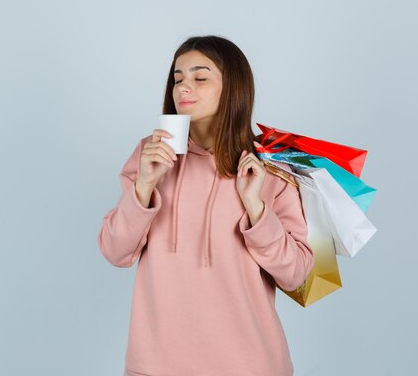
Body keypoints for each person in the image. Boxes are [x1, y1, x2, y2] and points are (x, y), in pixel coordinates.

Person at [97, 35, 315, 376]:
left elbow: (296, 274)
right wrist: (144, 186)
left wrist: (256, 209)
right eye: (178, 78)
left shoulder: (270, 165)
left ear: (233, 88)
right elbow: (114, 251)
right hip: (155, 366)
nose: (184, 87)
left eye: (200, 77)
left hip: (249, 365)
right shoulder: (149, 154)